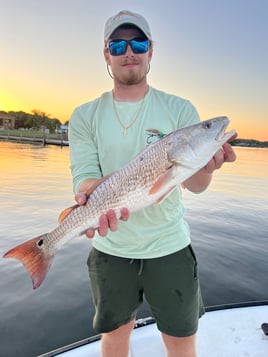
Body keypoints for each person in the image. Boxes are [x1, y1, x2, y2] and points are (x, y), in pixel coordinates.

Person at [68, 10, 236, 357]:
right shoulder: (85, 115)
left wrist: (207, 168)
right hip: (110, 250)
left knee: (181, 341)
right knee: (114, 337)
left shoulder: (179, 109)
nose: (129, 51)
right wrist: (89, 200)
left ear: (150, 51)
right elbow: (85, 179)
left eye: (138, 42)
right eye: (118, 44)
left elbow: (195, 185)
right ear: (106, 54)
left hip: (169, 247)